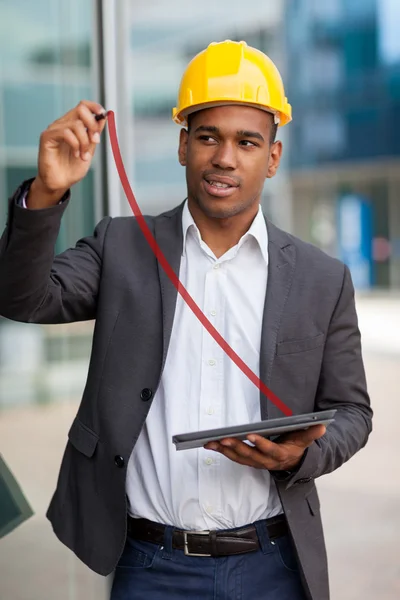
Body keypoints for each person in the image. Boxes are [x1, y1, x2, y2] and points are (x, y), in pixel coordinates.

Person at [0, 40, 372, 600]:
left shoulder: (323, 279)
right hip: (151, 566)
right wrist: (48, 191)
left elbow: (353, 412)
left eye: (247, 142)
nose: (225, 157)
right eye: (207, 137)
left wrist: (306, 453)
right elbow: (21, 299)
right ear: (182, 146)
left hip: (272, 566)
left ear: (272, 156)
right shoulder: (120, 246)